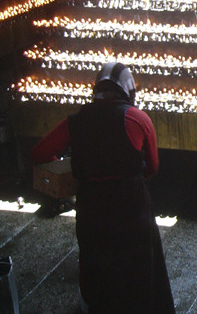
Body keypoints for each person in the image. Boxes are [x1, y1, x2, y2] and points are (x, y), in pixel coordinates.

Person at [31, 62, 175, 314]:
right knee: (138, 264)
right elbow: (152, 168)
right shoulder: (138, 118)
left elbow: (39, 152)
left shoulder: (75, 122)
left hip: (92, 204)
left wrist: (63, 169)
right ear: (127, 90)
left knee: (97, 260)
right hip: (131, 204)